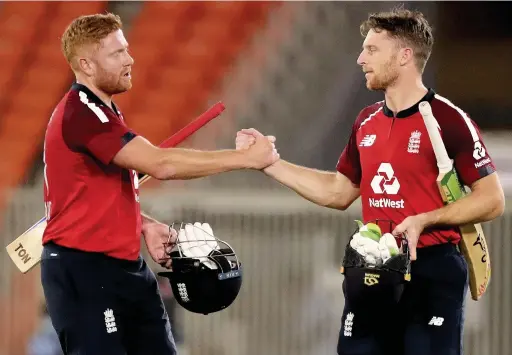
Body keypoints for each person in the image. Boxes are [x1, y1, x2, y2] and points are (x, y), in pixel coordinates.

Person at [236, 7, 505, 355]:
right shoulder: (365, 120)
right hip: (371, 267)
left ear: (405, 55)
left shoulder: (448, 120)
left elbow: (492, 199)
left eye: (373, 50)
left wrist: (425, 220)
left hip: (432, 271)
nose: (361, 58)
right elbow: (339, 191)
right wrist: (269, 163)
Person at [40, 13, 278, 355]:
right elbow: (161, 164)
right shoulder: (82, 114)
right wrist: (245, 159)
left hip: (125, 267)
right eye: (117, 53)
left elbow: (95, 196)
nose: (129, 58)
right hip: (84, 271)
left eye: (127, 49)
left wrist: (143, 224)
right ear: (86, 65)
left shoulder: (105, 113)